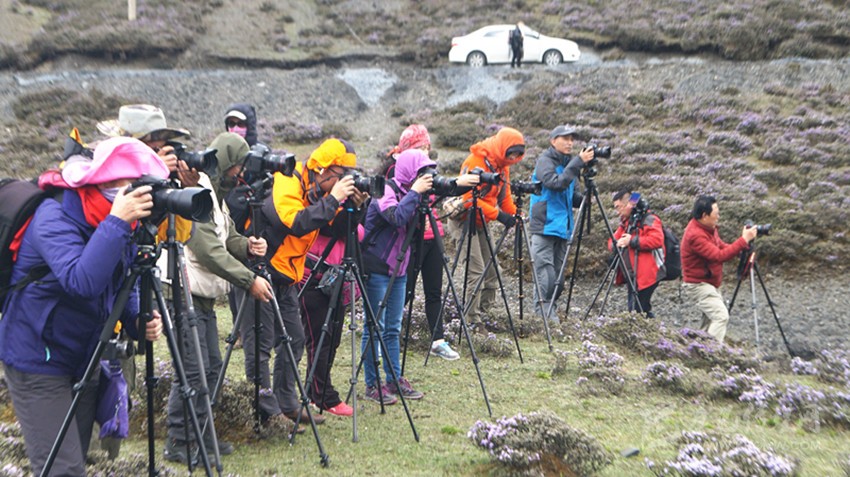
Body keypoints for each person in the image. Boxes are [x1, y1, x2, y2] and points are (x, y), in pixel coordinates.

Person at [0, 137, 166, 476]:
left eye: (134, 182)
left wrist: (137, 320)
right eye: (121, 182)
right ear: (99, 181)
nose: (129, 190)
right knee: (62, 469)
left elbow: (122, 279)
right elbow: (81, 281)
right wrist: (117, 222)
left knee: (77, 460)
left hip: (85, 356)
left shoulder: (114, 219)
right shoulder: (54, 216)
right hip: (38, 358)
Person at [159, 132, 275, 464]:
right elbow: (208, 250)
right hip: (182, 292)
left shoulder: (215, 195)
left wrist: (246, 245)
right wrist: (249, 280)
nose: (241, 173)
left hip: (201, 295)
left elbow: (227, 236)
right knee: (193, 371)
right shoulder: (195, 193)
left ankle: (201, 434)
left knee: (210, 368)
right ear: (226, 163)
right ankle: (179, 440)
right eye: (238, 166)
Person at [262, 138, 367, 420]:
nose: (342, 181)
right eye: (340, 175)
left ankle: (288, 406)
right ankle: (264, 411)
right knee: (262, 346)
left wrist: (355, 208)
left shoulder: (318, 188)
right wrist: (333, 199)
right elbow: (294, 222)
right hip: (264, 271)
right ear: (323, 170)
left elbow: (337, 229)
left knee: (294, 340)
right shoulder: (288, 178)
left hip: (289, 275)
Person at [380, 124, 480, 360]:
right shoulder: (395, 172)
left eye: (427, 147)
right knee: (404, 290)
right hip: (410, 238)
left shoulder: (426, 169)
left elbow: (438, 191)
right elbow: (396, 207)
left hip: (432, 235)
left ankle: (438, 340)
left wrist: (461, 184)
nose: (425, 152)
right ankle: (386, 334)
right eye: (421, 147)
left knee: (434, 290)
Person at [361, 149, 435, 404]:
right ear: (408, 170)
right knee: (374, 327)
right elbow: (396, 217)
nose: (423, 176)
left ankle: (394, 379)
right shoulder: (385, 190)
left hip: (400, 269)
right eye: (420, 171)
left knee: (393, 328)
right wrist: (415, 193)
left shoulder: (412, 194)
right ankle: (372, 385)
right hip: (377, 267)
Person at [455, 127, 525, 329]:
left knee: (493, 270)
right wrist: (499, 216)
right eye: (511, 153)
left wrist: (515, 214)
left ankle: (485, 313)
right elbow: (468, 199)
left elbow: (505, 198)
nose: (513, 158)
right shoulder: (475, 161)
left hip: (482, 221)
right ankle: (472, 320)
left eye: (517, 155)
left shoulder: (503, 166)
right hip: (464, 220)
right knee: (476, 271)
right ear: (502, 147)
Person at [529, 125, 593, 323]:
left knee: (558, 278)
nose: (570, 143)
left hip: (563, 227)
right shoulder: (545, 161)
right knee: (545, 273)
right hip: (545, 225)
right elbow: (555, 183)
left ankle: (550, 313)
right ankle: (543, 318)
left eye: (572, 139)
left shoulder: (570, 165)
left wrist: (587, 196)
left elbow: (572, 197)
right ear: (553, 141)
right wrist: (577, 163)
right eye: (565, 139)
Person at [681, 195, 757, 343]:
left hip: (710, 282)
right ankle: (711, 352)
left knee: (710, 321)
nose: (718, 217)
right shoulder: (695, 235)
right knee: (721, 316)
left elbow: (720, 246)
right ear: (704, 215)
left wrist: (742, 248)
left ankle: (698, 348)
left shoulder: (708, 228)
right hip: (698, 285)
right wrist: (743, 241)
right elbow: (718, 256)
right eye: (716, 213)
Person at [607, 190, 666, 318]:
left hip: (647, 274)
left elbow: (657, 240)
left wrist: (632, 241)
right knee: (638, 309)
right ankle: (650, 327)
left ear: (628, 205)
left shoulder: (649, 219)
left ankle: (648, 328)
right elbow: (612, 240)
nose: (617, 212)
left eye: (618, 207)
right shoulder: (626, 222)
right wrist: (616, 244)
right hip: (633, 275)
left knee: (637, 309)